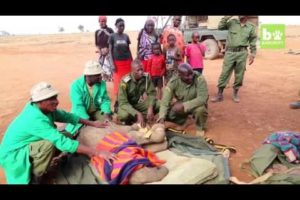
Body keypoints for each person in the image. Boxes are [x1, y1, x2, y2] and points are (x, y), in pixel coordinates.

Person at [0, 82, 116, 184]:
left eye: (55, 97)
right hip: (14, 156)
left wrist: (92, 123)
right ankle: (36, 176)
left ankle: (44, 162)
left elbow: (67, 116)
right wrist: (97, 152)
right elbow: (61, 142)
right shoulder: (34, 119)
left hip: (26, 146)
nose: (57, 102)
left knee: (66, 135)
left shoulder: (43, 109)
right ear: (39, 102)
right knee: (52, 144)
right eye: (51, 99)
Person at [211, 16, 257, 103]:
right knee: (224, 73)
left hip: (242, 54)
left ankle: (235, 93)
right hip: (230, 53)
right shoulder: (232, 22)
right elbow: (220, 27)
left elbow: (253, 41)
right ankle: (219, 94)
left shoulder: (251, 27)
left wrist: (253, 54)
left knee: (239, 75)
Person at [158, 63, 208, 136]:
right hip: (181, 106)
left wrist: (184, 105)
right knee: (169, 115)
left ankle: (200, 127)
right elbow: (165, 101)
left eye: (191, 74)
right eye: (187, 75)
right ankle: (186, 120)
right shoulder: (173, 82)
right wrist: (161, 117)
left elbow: (203, 98)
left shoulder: (199, 78)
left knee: (200, 110)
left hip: (195, 104)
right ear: (179, 75)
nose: (191, 77)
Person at [65, 60, 112, 135]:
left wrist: (106, 114)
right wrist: (91, 122)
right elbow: (78, 106)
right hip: (81, 114)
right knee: (76, 132)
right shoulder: (76, 85)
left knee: (109, 122)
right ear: (89, 76)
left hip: (96, 111)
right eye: (97, 75)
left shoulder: (101, 84)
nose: (100, 77)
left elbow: (105, 100)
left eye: (100, 74)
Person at [116, 59, 160, 128]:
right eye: (138, 70)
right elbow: (123, 102)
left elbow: (151, 93)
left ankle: (145, 117)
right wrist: (137, 113)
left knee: (158, 104)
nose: (141, 72)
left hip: (137, 104)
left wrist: (150, 108)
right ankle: (134, 120)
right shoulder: (125, 81)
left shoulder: (146, 77)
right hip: (125, 105)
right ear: (132, 71)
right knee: (124, 115)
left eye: (142, 69)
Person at [109, 18, 133, 96]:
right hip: (117, 63)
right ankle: (119, 100)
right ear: (116, 26)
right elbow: (110, 51)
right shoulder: (112, 36)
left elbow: (128, 50)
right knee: (118, 81)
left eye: (123, 26)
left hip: (127, 62)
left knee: (128, 80)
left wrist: (132, 62)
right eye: (120, 26)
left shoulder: (126, 36)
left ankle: (127, 97)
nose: (122, 27)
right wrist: (112, 64)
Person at [95, 16, 114, 81]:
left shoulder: (110, 30)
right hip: (101, 54)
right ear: (99, 22)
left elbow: (113, 41)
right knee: (100, 71)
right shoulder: (97, 32)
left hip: (109, 54)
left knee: (110, 71)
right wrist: (100, 51)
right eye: (101, 21)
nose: (102, 23)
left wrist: (108, 51)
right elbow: (96, 44)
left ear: (106, 22)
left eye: (104, 21)